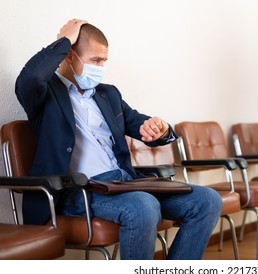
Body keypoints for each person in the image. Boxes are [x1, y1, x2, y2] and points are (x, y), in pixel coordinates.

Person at [15, 19, 222, 260]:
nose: (101, 67)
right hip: (80, 190)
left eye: (104, 61)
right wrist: (64, 40)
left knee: (207, 200)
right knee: (144, 206)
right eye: (95, 60)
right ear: (70, 56)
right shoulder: (45, 94)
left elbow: (140, 124)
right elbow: (29, 77)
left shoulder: (108, 94)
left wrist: (161, 130)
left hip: (124, 184)